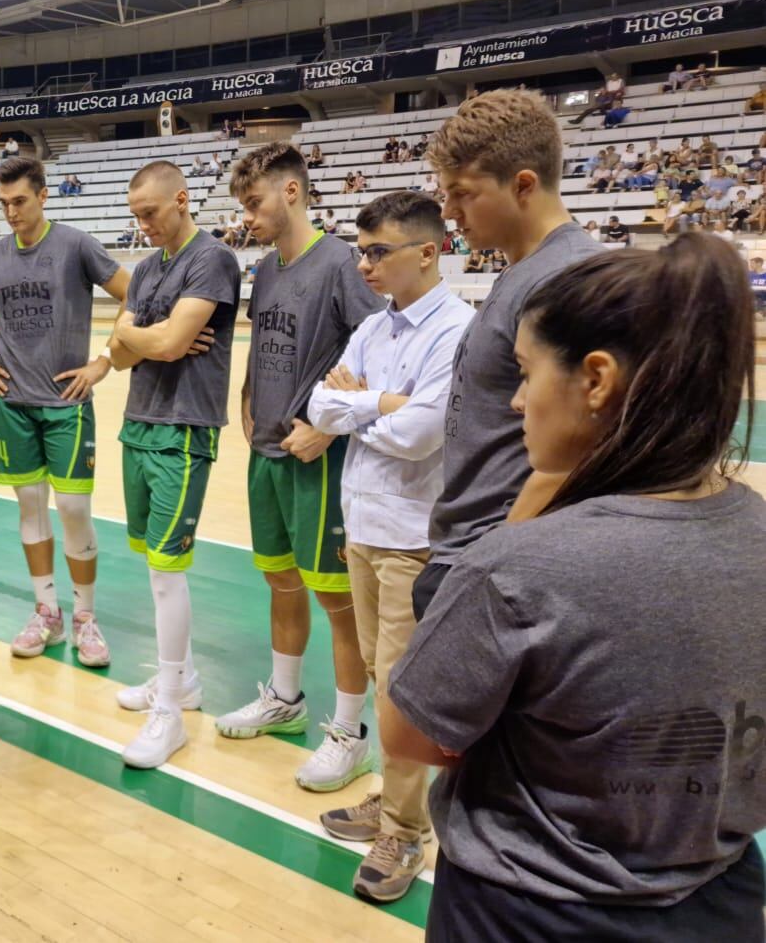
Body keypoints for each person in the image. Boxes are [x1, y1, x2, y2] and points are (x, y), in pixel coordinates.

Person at [382, 234, 766, 941]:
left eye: (526, 374)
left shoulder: (520, 567)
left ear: (595, 379)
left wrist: (524, 512)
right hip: (722, 903)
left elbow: (411, 731)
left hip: (527, 912)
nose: (518, 401)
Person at [305, 192, 475, 903]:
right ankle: (394, 796)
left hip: (413, 534)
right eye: (362, 249)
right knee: (381, 670)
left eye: (379, 251)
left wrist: (359, 405)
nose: (365, 262)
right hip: (366, 524)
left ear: (428, 251)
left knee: (399, 687)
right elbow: (318, 405)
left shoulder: (457, 328)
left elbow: (422, 434)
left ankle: (406, 829)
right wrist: (378, 402)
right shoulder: (375, 328)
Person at [217, 143, 383, 790]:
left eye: (254, 203)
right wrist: (248, 402)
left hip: (320, 457)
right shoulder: (264, 268)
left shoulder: (342, 262)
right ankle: (285, 699)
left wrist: (327, 423)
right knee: (281, 582)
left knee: (336, 599)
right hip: (267, 453)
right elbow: (262, 344)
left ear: (291, 192)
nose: (247, 217)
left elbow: (380, 353)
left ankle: (352, 733)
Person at [413, 88, 599, 617]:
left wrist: (490, 565)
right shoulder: (524, 271)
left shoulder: (566, 278)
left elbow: (577, 450)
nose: (447, 212)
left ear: (522, 185)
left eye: (461, 194)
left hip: (497, 561)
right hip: (472, 549)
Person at [0, 157, 130, 666]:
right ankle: (47, 613)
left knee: (73, 510)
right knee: (30, 509)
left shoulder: (75, 245)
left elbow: (134, 293)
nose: (11, 211)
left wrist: (104, 360)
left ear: (43, 196)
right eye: (4, 203)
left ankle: (85, 617)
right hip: (12, 405)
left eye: (20, 201)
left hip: (67, 402)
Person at [107, 161, 240, 770]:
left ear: (182, 201)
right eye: (136, 216)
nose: (143, 226)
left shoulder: (211, 260)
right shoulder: (145, 270)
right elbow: (119, 351)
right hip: (139, 422)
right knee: (152, 562)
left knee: (167, 569)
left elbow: (154, 345)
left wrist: (144, 333)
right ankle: (179, 681)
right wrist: (144, 333)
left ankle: (172, 711)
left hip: (184, 430)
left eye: (150, 213)